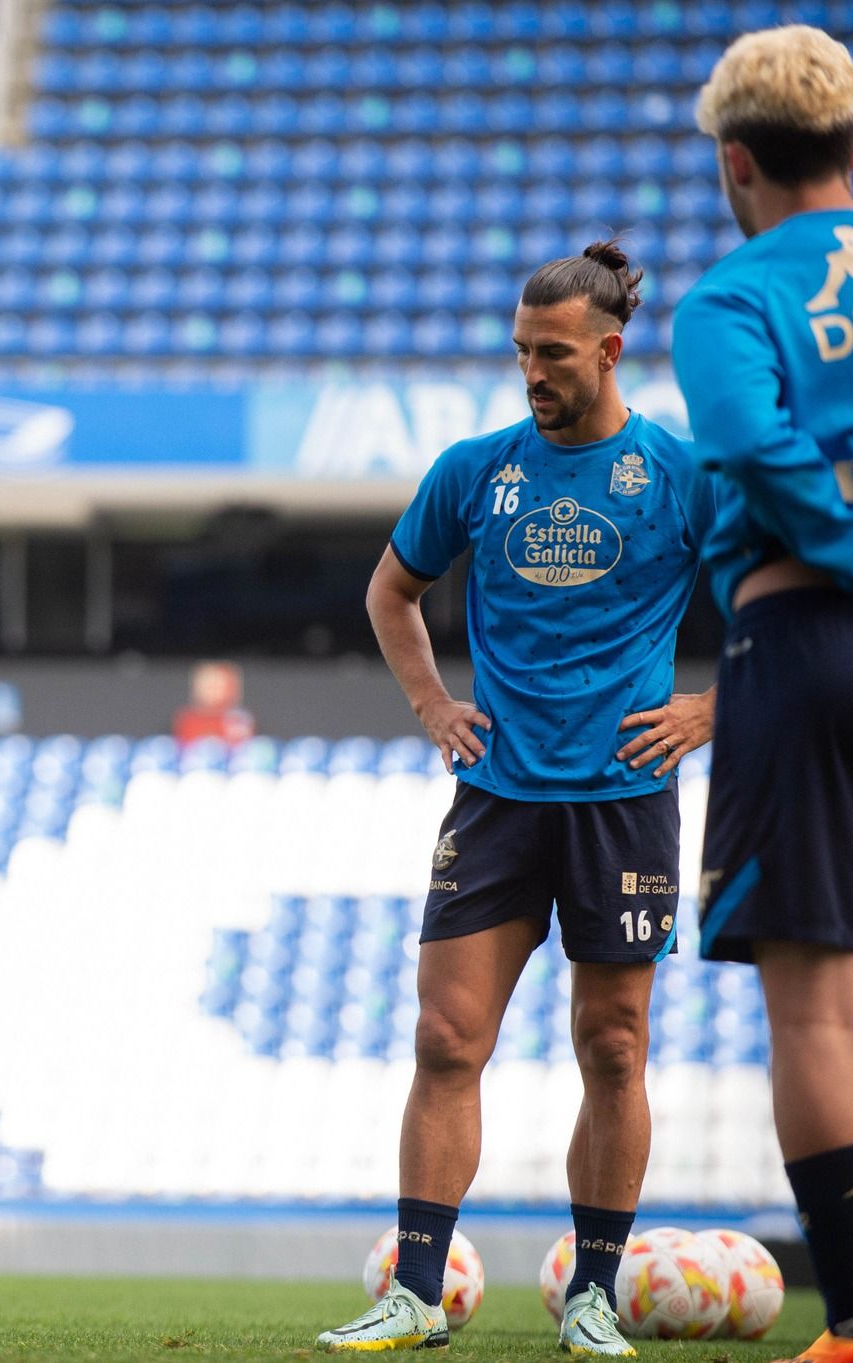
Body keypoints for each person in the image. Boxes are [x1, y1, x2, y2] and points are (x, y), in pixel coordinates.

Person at [317, 243, 717, 1356]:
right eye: (518, 352)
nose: (530, 373)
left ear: (607, 348)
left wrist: (707, 710)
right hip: (495, 793)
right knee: (445, 1037)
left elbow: (782, 609)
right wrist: (432, 705)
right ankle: (412, 1294)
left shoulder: (678, 474)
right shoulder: (473, 468)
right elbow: (390, 591)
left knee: (613, 1044)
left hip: (622, 797)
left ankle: (590, 1293)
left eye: (550, 355)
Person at [673, 26, 853, 1363]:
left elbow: (745, 434)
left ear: (738, 163)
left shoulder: (730, 299)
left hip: (805, 637)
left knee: (814, 1004)